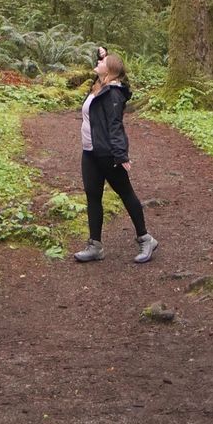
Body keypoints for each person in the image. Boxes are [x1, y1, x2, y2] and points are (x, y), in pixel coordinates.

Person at [73, 45, 158, 265]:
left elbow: (115, 126)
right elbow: (106, 64)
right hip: (90, 152)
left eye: (102, 62)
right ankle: (95, 245)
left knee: (125, 193)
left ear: (109, 71)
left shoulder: (114, 94)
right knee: (93, 197)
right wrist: (103, 53)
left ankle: (145, 239)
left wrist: (121, 155)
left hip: (107, 154)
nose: (98, 63)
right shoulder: (100, 87)